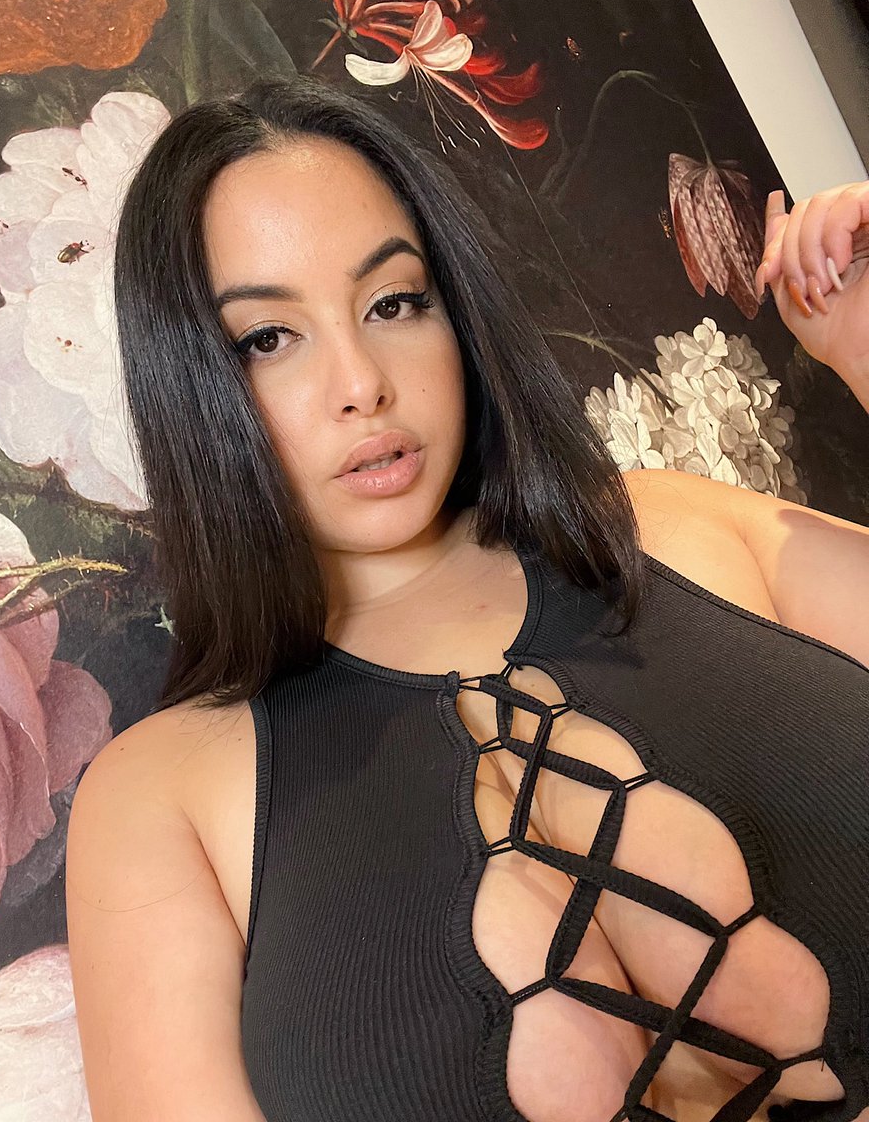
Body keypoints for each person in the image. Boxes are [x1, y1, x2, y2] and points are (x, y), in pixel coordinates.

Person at [65, 74, 869, 1122]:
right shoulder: (155, 797)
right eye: (267, 338)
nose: (362, 382)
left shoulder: (673, 531)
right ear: (189, 385)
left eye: (394, 303)